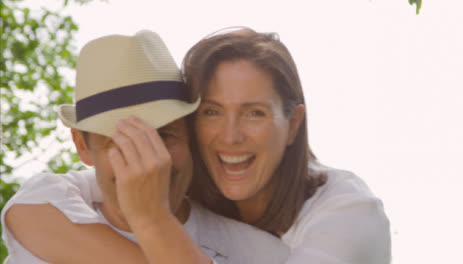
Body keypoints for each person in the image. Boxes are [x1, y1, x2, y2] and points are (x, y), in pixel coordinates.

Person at [3, 27, 391, 264]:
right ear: (82, 148)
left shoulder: (345, 217)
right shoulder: (63, 203)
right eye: (211, 112)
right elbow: (30, 207)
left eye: (255, 112)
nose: (148, 163)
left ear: (294, 126)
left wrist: (153, 221)